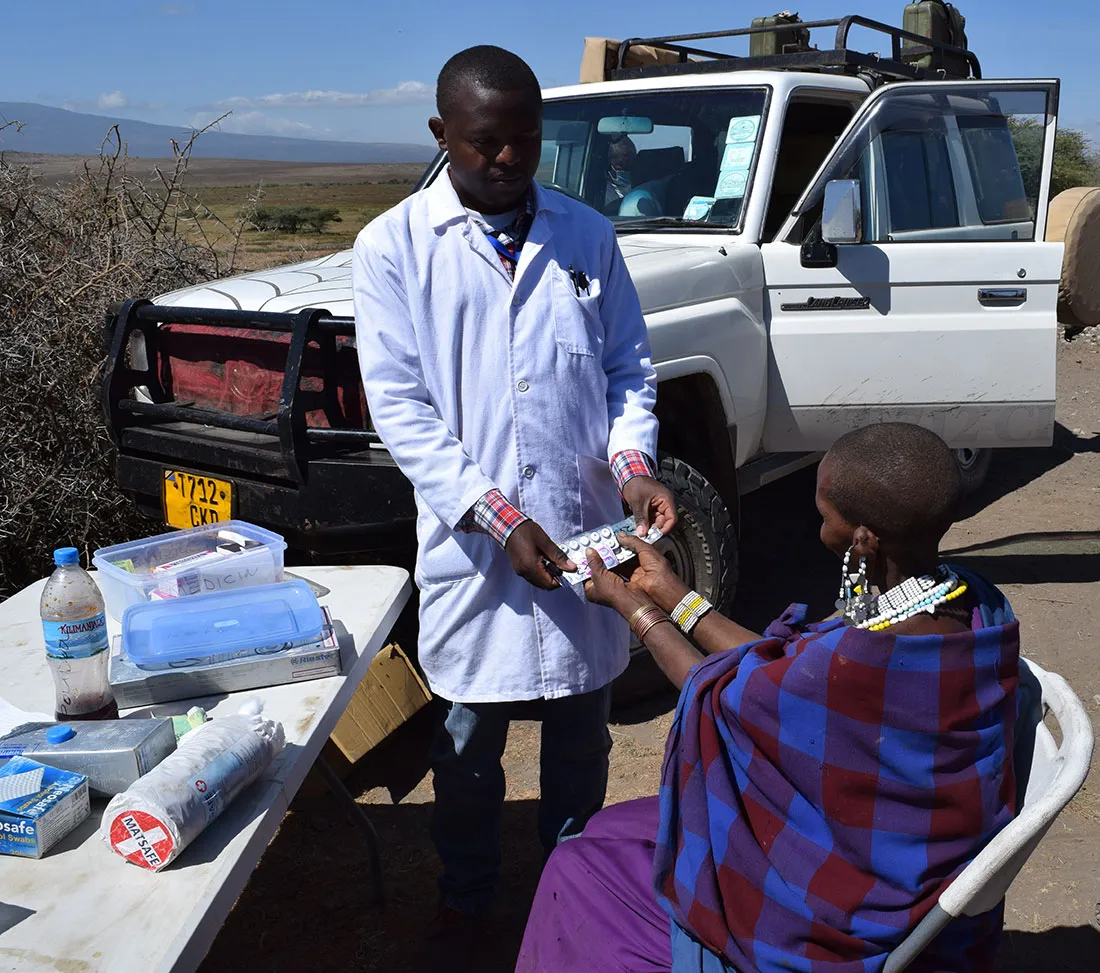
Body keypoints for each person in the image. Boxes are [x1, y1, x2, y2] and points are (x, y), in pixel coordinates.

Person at [351, 45, 676, 962]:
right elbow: (402, 409)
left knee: (583, 735)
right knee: (465, 751)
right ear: (441, 135)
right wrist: (497, 517)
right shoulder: (393, 248)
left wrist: (632, 464)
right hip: (475, 552)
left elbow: (627, 370)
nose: (506, 159)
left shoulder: (586, 236)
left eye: (524, 140)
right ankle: (467, 905)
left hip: (583, 531)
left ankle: (573, 897)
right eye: (485, 142)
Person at [517, 423, 1019, 973]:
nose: (818, 522)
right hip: (914, 857)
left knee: (576, 863)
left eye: (825, 514)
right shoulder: (971, 603)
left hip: (848, 907)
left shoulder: (856, 665)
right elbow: (781, 671)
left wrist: (629, 604)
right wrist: (670, 591)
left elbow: (720, 689)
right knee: (611, 829)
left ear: (862, 539)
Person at [604, 134, 637, 212]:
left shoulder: (645, 190)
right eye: (620, 164)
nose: (625, 171)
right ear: (608, 162)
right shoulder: (600, 192)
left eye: (631, 164)